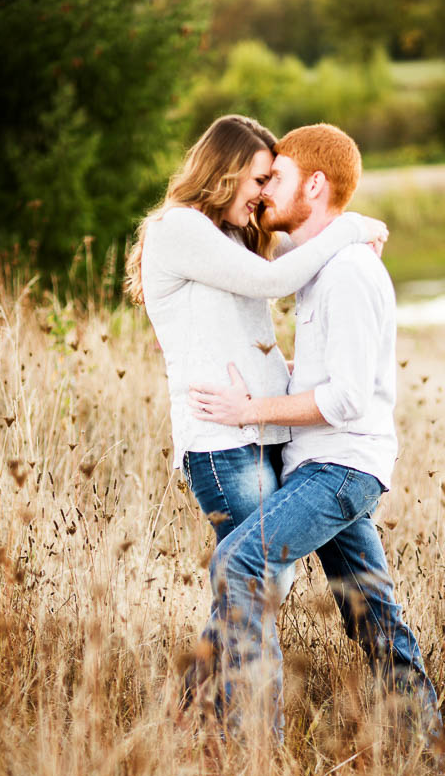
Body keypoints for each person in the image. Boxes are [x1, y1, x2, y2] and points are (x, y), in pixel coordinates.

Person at [189, 123, 443, 746]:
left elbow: (349, 398)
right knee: (374, 619)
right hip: (326, 469)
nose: (264, 191)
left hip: (340, 472)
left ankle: (254, 745)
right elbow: (331, 374)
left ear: (317, 184)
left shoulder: (350, 271)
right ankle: (427, 751)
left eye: (276, 177)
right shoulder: (321, 270)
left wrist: (251, 408)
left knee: (239, 560)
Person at [125, 114, 387, 550]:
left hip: (264, 432)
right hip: (224, 440)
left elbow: (307, 246)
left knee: (265, 578)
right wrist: (351, 228)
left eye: (272, 181)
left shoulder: (232, 232)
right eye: (260, 179)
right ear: (226, 171)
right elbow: (275, 280)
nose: (264, 193)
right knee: (258, 573)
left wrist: (348, 242)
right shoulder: (179, 227)